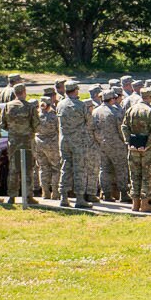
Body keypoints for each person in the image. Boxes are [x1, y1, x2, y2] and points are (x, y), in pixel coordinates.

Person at [56, 81, 95, 209]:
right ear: (75, 90)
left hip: (64, 141)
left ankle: (64, 197)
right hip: (78, 141)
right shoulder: (80, 105)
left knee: (65, 167)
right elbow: (89, 122)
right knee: (80, 169)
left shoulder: (60, 104)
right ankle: (79, 198)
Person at [3, 82, 39, 207]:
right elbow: (36, 125)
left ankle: (12, 196)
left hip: (13, 141)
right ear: (24, 92)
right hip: (27, 141)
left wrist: (14, 131)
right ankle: (28, 196)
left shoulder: (8, 106)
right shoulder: (30, 107)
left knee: (13, 169)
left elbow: (3, 124)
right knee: (28, 169)